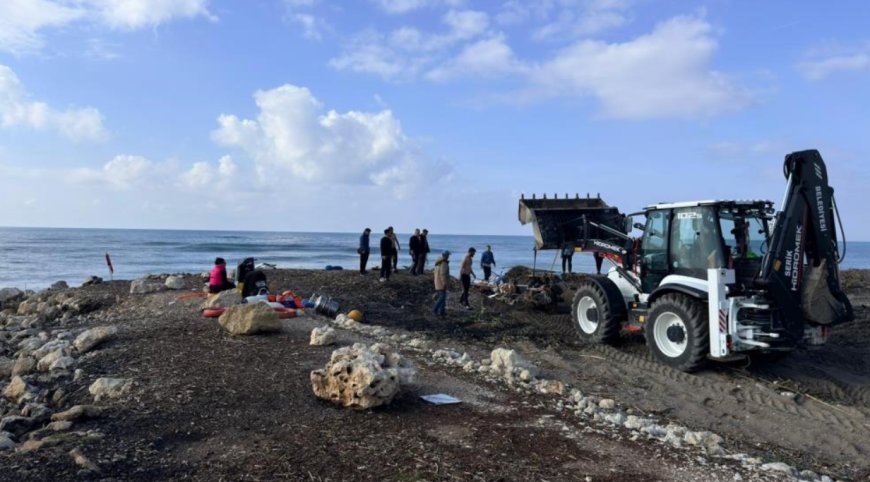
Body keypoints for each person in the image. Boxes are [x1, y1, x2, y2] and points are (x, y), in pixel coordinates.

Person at [433, 250, 450, 316]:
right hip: (441, 284)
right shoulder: (444, 263)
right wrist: (444, 283)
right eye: (448, 255)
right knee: (442, 298)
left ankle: (442, 311)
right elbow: (443, 274)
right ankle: (435, 309)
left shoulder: (438, 263)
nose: (448, 257)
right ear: (446, 256)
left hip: (437, 282)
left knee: (442, 297)